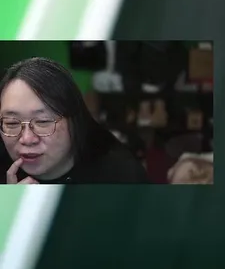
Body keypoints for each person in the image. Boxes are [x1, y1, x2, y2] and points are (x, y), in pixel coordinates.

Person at [1, 57, 149, 184]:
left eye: (43, 122)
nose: (27, 139)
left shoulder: (121, 175)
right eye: (11, 123)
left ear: (74, 119)